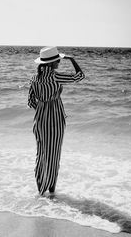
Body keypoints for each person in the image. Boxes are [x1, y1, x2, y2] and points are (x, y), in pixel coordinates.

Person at [28, 46, 85, 195]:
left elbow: (30, 102)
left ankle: (41, 189)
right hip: (55, 119)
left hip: (39, 120)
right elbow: (79, 76)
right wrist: (72, 60)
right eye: (57, 60)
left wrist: (43, 108)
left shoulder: (34, 78)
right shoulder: (55, 77)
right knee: (54, 154)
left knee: (41, 154)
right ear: (51, 63)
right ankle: (51, 192)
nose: (59, 61)